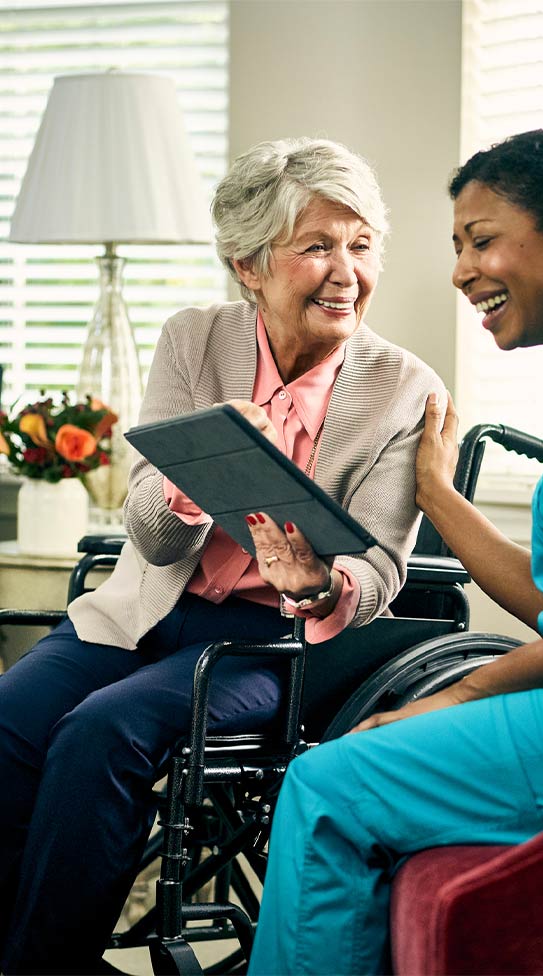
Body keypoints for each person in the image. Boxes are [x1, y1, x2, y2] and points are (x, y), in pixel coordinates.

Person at [246, 128, 543, 975]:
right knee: (347, 776)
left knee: (327, 789)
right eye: (456, 247)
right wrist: (437, 496)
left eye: (482, 239)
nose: (463, 269)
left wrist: (462, 692)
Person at [0, 136, 445, 975]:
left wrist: (320, 585)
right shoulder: (194, 340)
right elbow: (149, 528)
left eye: (361, 244)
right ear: (249, 265)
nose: (346, 271)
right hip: (145, 608)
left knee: (103, 734)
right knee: (12, 720)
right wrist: (192, 481)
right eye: (317, 246)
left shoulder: (403, 388)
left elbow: (383, 567)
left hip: (266, 644)